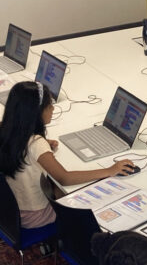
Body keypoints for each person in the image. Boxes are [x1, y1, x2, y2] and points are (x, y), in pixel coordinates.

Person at [0, 81, 134, 229]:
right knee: (85, 202)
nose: (53, 108)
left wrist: (42, 148)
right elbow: (64, 178)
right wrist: (110, 170)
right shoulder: (36, 143)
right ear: (36, 112)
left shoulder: (6, 129)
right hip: (36, 216)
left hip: (12, 211)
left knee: (58, 189)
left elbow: (22, 146)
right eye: (49, 105)